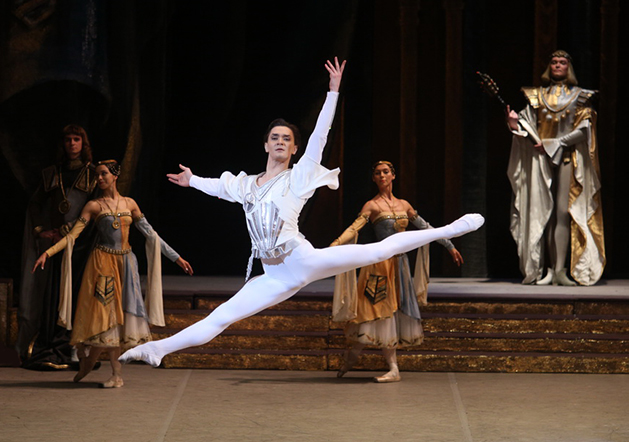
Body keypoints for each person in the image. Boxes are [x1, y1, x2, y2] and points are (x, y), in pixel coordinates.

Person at [118, 58, 484, 369]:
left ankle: (448, 229)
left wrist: (333, 92)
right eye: (274, 137)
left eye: (286, 139)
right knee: (222, 316)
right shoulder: (246, 184)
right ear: (265, 144)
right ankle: (156, 350)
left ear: (293, 149)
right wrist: (193, 179)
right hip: (273, 274)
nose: (280, 142)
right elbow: (218, 187)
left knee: (378, 250)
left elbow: (320, 136)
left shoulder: (299, 177)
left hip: (301, 259)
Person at [33, 160, 193, 388]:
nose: (99, 178)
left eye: (103, 174)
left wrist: (176, 258)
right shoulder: (94, 206)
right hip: (102, 266)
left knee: (119, 321)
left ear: (115, 176)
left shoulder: (130, 204)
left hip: (126, 264)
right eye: (97, 175)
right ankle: (105, 369)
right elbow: (72, 237)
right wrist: (48, 253)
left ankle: (99, 367)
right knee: (106, 319)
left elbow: (151, 235)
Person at [330, 160, 464, 382]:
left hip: (400, 266)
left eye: (385, 172)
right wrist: (334, 245)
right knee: (374, 312)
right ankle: (351, 359)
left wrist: (449, 245)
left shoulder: (404, 205)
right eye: (377, 173)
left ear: (393, 175)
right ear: (373, 178)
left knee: (391, 313)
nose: (382, 176)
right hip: (379, 266)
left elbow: (425, 228)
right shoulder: (371, 206)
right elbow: (354, 228)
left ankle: (392, 369)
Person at [506, 50, 604, 286]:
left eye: (562, 62)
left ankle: (560, 269)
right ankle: (548, 269)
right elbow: (526, 125)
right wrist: (514, 124)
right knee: (543, 213)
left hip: (568, 159)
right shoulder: (536, 96)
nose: (557, 65)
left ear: (569, 67)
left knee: (561, 212)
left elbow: (584, 129)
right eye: (553, 62)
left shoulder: (580, 96)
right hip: (541, 161)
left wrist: (556, 143)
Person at [17, 124, 98, 370]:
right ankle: (53, 342)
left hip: (81, 245)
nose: (72, 144)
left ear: (84, 144)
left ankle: (74, 346)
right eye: (68, 140)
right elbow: (35, 205)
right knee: (53, 294)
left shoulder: (94, 174)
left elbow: (97, 210)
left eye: (76, 139)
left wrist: (68, 231)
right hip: (54, 245)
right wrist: (42, 230)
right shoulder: (53, 174)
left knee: (77, 293)